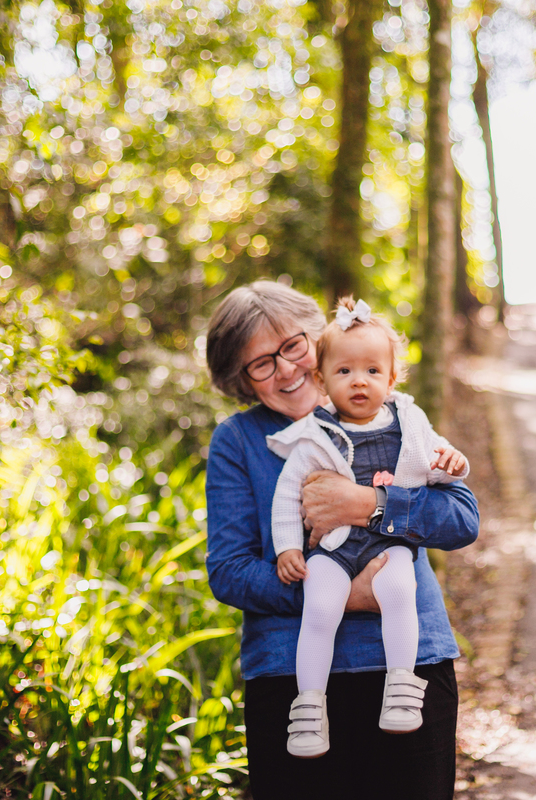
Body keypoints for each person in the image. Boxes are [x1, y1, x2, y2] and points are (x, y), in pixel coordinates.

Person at [204, 280, 479, 800]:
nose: (286, 369)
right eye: (261, 363)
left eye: (292, 347)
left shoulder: (397, 415)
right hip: (289, 674)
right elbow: (230, 571)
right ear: (241, 378)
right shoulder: (238, 441)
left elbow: (462, 519)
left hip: (410, 665)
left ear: (320, 342)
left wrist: (368, 505)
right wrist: (341, 595)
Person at [265, 297, 469, 758]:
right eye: (344, 372)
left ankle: (401, 688)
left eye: (373, 371)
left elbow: (443, 471)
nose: (359, 380)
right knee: (318, 608)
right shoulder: (314, 436)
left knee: (400, 591)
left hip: (389, 542)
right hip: (334, 548)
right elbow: (285, 497)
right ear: (321, 381)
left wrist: (456, 463)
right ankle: (309, 709)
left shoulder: (411, 425)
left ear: (392, 378)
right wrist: (286, 550)